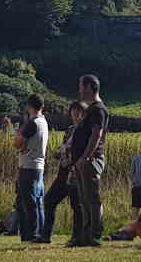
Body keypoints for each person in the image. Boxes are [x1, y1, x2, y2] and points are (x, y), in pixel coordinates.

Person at [68, 74, 109, 247]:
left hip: (89, 160)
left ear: (90, 87)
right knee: (84, 200)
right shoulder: (91, 110)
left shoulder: (98, 109)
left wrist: (85, 157)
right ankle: (84, 236)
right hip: (82, 161)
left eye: (81, 86)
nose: (79, 90)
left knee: (92, 199)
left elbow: (97, 134)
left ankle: (95, 234)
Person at [38, 101, 86, 244]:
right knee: (49, 201)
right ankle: (46, 235)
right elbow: (65, 147)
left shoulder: (85, 131)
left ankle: (77, 237)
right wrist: (59, 153)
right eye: (74, 111)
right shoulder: (70, 130)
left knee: (77, 206)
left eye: (79, 112)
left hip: (76, 173)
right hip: (63, 172)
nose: (76, 114)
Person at [14, 93, 49, 242]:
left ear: (29, 106)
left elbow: (17, 143)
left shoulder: (32, 123)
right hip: (39, 165)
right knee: (37, 201)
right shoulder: (44, 122)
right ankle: (39, 231)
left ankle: (31, 234)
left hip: (28, 166)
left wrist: (19, 132)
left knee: (27, 202)